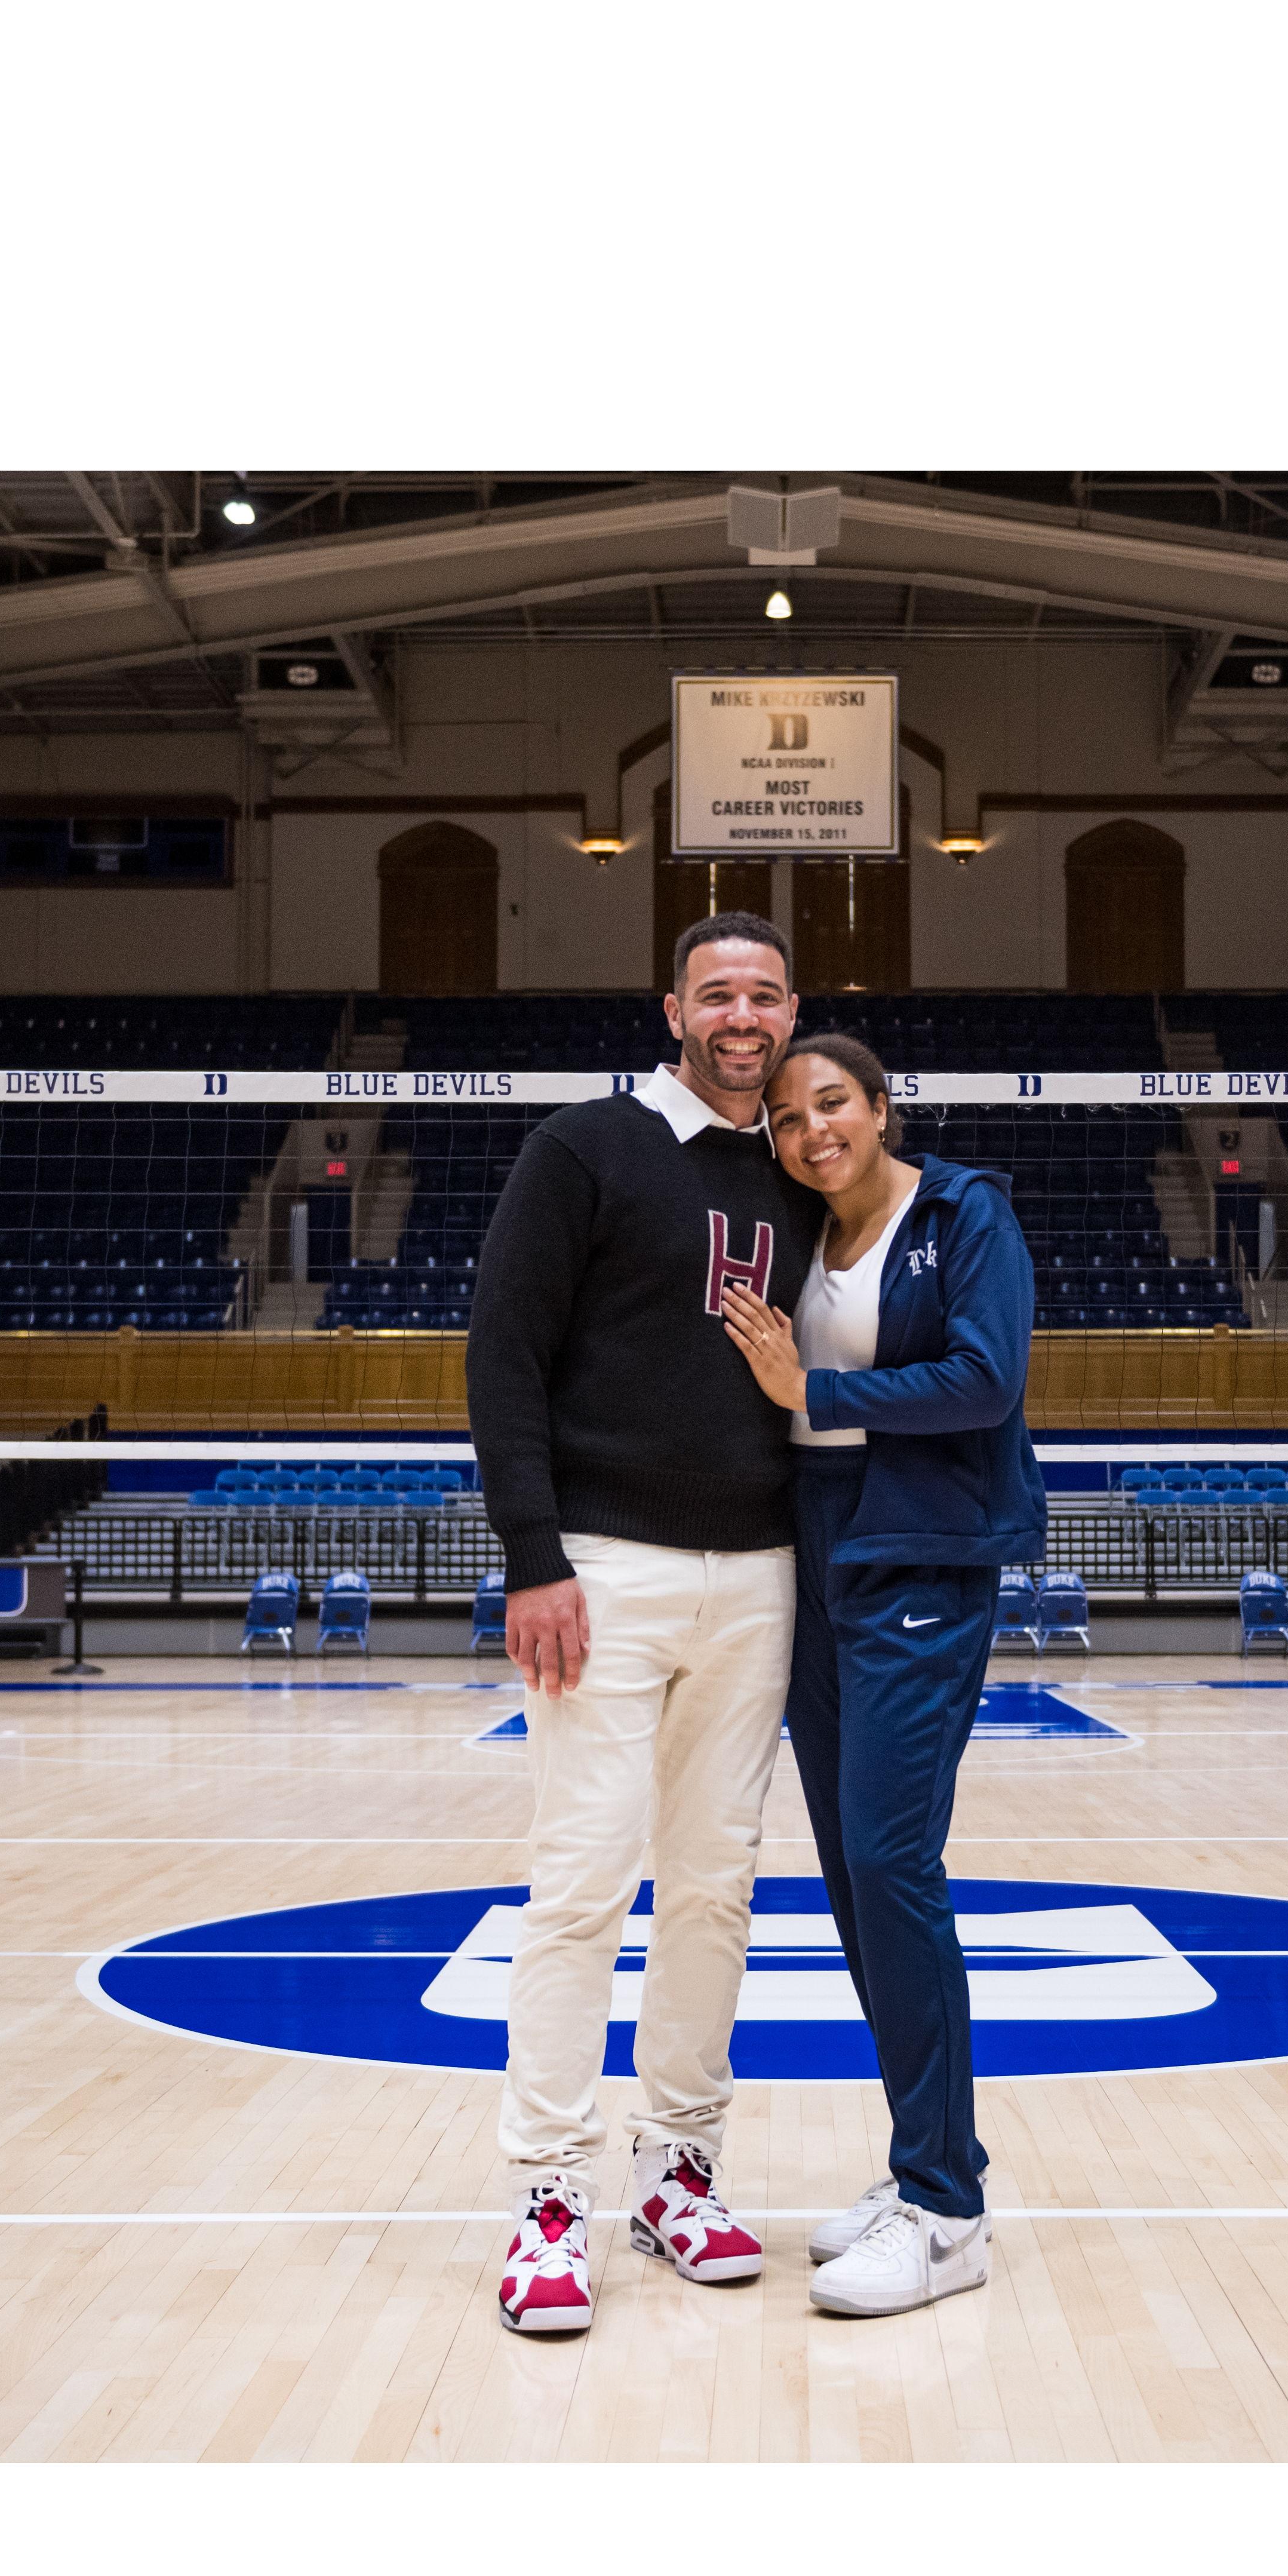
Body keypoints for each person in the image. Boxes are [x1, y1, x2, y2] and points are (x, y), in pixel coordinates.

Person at [462, 913, 822, 2335]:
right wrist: (531, 1552)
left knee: (716, 1884)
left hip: (760, 1571)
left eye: (764, 992)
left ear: (792, 1011)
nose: (740, 1013)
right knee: (580, 1879)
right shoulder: (585, 1145)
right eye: (716, 990)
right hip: (602, 1567)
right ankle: (546, 2196)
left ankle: (678, 2166)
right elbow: (502, 1348)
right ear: (669, 1005)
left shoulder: (805, 1163)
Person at [717, 1034, 1044, 2318]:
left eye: (832, 1104)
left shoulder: (964, 1212)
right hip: (815, 1548)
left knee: (894, 1861)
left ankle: (949, 2213)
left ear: (882, 1106)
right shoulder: (789, 1233)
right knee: (855, 1879)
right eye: (790, 1119)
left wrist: (819, 1382)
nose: (812, 1132)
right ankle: (928, 2164)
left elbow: (985, 1378)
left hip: (922, 1551)